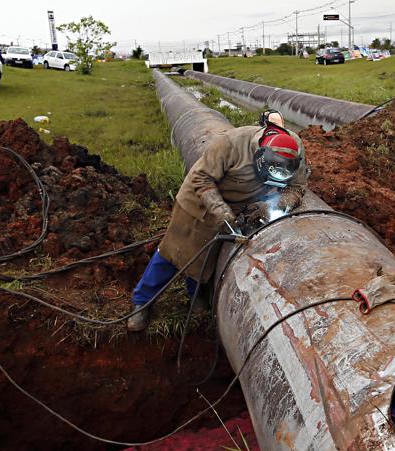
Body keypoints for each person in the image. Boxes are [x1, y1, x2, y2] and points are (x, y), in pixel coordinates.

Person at [126, 111, 308, 332]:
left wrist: (274, 205)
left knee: (208, 255)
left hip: (242, 202)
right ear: (260, 157)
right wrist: (220, 210)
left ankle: (196, 295)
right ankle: (142, 301)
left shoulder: (295, 148)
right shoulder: (231, 144)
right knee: (175, 252)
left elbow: (296, 188)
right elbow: (201, 178)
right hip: (202, 200)